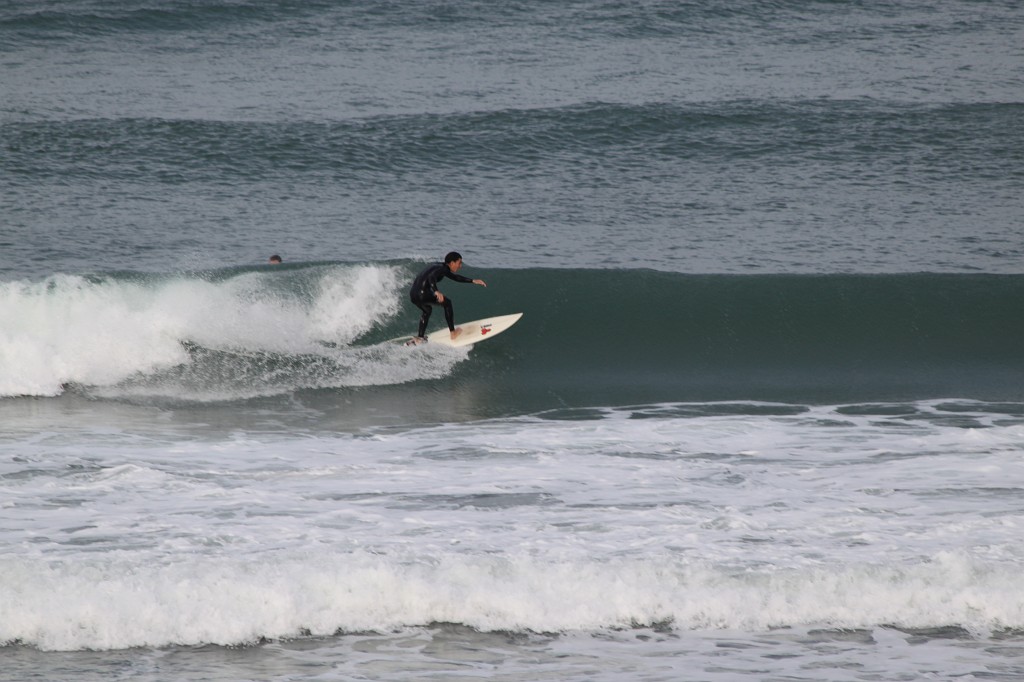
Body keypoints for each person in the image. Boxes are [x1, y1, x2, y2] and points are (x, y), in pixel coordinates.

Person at [408, 251, 486, 343]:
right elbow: (431, 277)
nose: (460, 266)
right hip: (422, 293)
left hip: (413, 294)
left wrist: (473, 281)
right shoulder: (443, 269)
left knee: (427, 310)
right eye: (459, 263)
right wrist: (436, 291)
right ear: (452, 263)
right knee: (447, 303)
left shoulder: (440, 267)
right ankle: (453, 333)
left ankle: (419, 338)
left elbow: (455, 277)